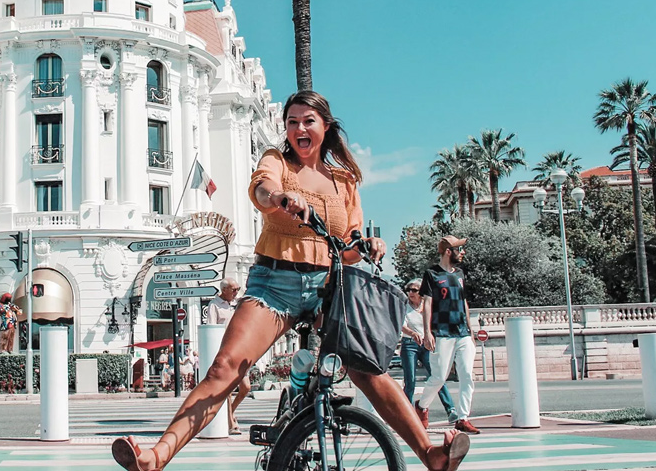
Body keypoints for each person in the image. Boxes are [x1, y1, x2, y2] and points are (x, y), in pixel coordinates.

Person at [111, 91, 470, 471]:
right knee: (225, 368)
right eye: (292, 121)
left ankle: (431, 455)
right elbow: (262, 189)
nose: (299, 128)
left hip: (330, 289)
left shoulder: (344, 181)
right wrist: (282, 197)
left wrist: (366, 245)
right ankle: (156, 456)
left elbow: (346, 246)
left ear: (325, 127)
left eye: (308, 121)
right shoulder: (275, 160)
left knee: (368, 370)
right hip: (274, 284)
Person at [416, 236, 481, 435]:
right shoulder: (432, 274)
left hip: (462, 332)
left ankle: (462, 418)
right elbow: (427, 303)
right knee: (439, 376)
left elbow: (464, 302)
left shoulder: (460, 274)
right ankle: (422, 406)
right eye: (458, 250)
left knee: (467, 375)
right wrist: (427, 332)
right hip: (442, 333)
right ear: (448, 251)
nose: (462, 253)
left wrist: (470, 331)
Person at [401, 278, 456, 424]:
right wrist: (413, 333)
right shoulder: (404, 306)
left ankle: (451, 409)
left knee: (437, 377)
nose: (410, 293)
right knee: (410, 380)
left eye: (414, 290)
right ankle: (408, 414)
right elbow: (402, 326)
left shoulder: (429, 306)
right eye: (409, 289)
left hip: (427, 345)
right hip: (409, 344)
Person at [204, 277, 249, 434]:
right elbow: (211, 328)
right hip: (225, 352)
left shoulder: (236, 304)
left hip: (240, 349)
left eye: (238, 289)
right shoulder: (214, 306)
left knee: (246, 387)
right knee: (228, 389)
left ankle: (230, 411)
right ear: (224, 290)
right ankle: (231, 423)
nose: (237, 292)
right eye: (234, 289)